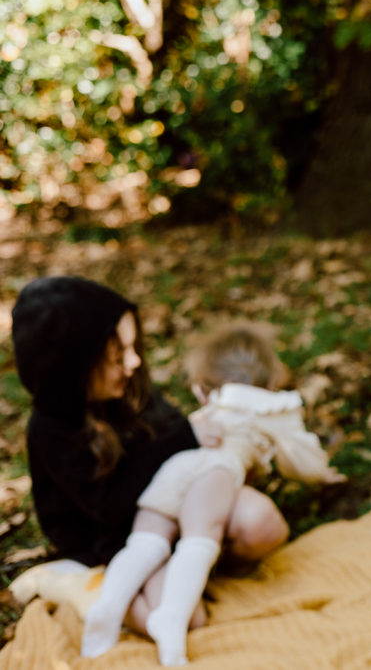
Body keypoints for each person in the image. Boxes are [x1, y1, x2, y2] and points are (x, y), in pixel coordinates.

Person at [10, 277, 288, 647]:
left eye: (132, 347)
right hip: (112, 537)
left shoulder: (129, 384)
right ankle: (82, 584)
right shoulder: (51, 429)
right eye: (115, 357)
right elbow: (108, 506)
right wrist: (184, 438)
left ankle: (190, 566)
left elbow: (176, 444)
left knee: (261, 523)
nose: (133, 361)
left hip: (166, 507)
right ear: (72, 371)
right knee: (188, 620)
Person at [80, 320, 346, 665]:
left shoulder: (212, 404)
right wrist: (321, 473)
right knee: (199, 538)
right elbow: (303, 462)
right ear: (270, 379)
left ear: (201, 389)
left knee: (146, 540)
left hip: (177, 466)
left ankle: (109, 605)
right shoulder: (274, 407)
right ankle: (171, 617)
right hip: (214, 476)